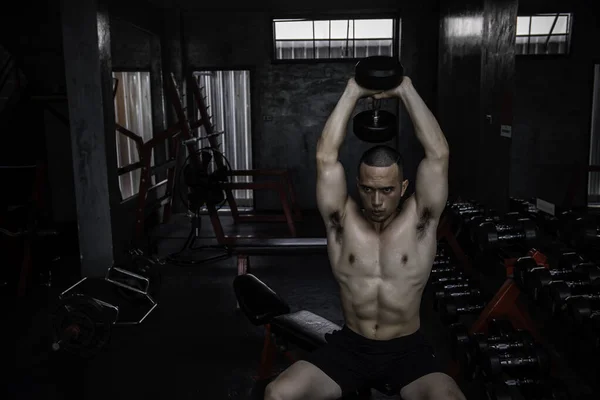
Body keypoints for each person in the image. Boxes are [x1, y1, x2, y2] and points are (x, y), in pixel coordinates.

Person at [264, 75, 466, 400]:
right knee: (278, 394)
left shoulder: (420, 220)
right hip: (351, 348)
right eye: (369, 189)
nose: (376, 201)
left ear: (403, 188)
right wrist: (353, 91)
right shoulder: (341, 221)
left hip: (407, 351)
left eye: (387, 190)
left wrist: (405, 89)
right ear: (357, 185)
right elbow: (325, 157)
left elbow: (438, 154)